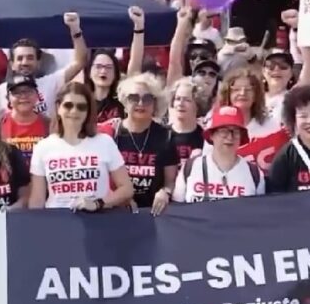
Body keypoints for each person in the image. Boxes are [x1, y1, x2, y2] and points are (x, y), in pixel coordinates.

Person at [29, 82, 134, 210]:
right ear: (58, 108)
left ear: (88, 111)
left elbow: (127, 189)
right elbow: (37, 199)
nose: (74, 111)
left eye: (81, 107)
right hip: (57, 222)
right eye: (68, 105)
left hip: (97, 221)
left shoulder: (105, 142)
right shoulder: (43, 147)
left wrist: (98, 203)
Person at [102, 73, 178, 214]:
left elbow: (170, 182)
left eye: (147, 99)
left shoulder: (166, 136)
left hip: (153, 213)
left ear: (155, 103)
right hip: (115, 212)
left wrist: (165, 192)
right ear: (124, 102)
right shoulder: (111, 133)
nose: (141, 103)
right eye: (134, 98)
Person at [0, 13, 87, 115]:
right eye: (20, 58)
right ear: (12, 64)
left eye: (30, 58)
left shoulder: (50, 83)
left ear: (38, 62)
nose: (25, 62)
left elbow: (80, 62)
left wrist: (75, 29)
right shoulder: (0, 91)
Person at [174, 105, 265, 203]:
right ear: (212, 135)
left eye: (235, 132)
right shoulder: (191, 167)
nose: (230, 137)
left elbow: (258, 214)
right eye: (224, 131)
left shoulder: (254, 173)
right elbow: (176, 208)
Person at [206, 68, 280, 139]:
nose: (242, 93)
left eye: (248, 89)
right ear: (227, 94)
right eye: (236, 89)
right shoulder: (214, 124)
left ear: (256, 95)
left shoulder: (271, 126)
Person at [1, 74, 49, 167]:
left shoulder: (49, 124)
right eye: (17, 92)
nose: (23, 96)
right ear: (8, 98)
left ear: (37, 95)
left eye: (28, 91)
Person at [166, 78, 204, 168]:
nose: (181, 104)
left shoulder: (205, 138)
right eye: (178, 99)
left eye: (187, 100)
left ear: (197, 105)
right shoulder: (161, 134)